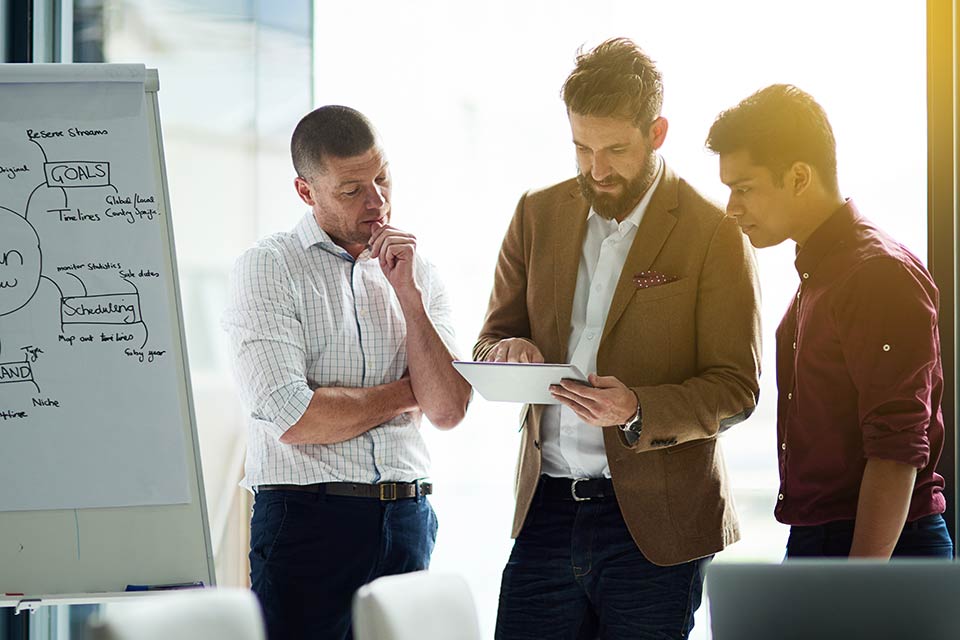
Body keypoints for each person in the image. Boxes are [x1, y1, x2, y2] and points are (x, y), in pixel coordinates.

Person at [474, 38, 761, 639]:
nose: (596, 169)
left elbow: (737, 388)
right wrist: (506, 351)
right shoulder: (535, 214)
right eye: (581, 147)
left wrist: (638, 408)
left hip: (657, 527)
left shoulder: (714, 233)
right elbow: (492, 339)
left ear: (656, 133)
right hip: (546, 510)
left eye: (615, 149)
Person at [222, 105, 471, 640]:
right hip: (309, 523)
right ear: (306, 192)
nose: (377, 201)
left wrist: (408, 296)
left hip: (408, 518)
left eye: (382, 178)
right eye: (352, 189)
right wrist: (409, 392)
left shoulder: (417, 271)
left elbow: (448, 408)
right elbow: (295, 417)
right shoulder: (268, 267)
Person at [706, 84, 952, 559]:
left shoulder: (876, 273)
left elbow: (896, 448)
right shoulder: (823, 272)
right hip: (829, 540)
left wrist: (855, 588)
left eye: (744, 188)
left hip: (881, 548)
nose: (732, 208)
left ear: (799, 176)